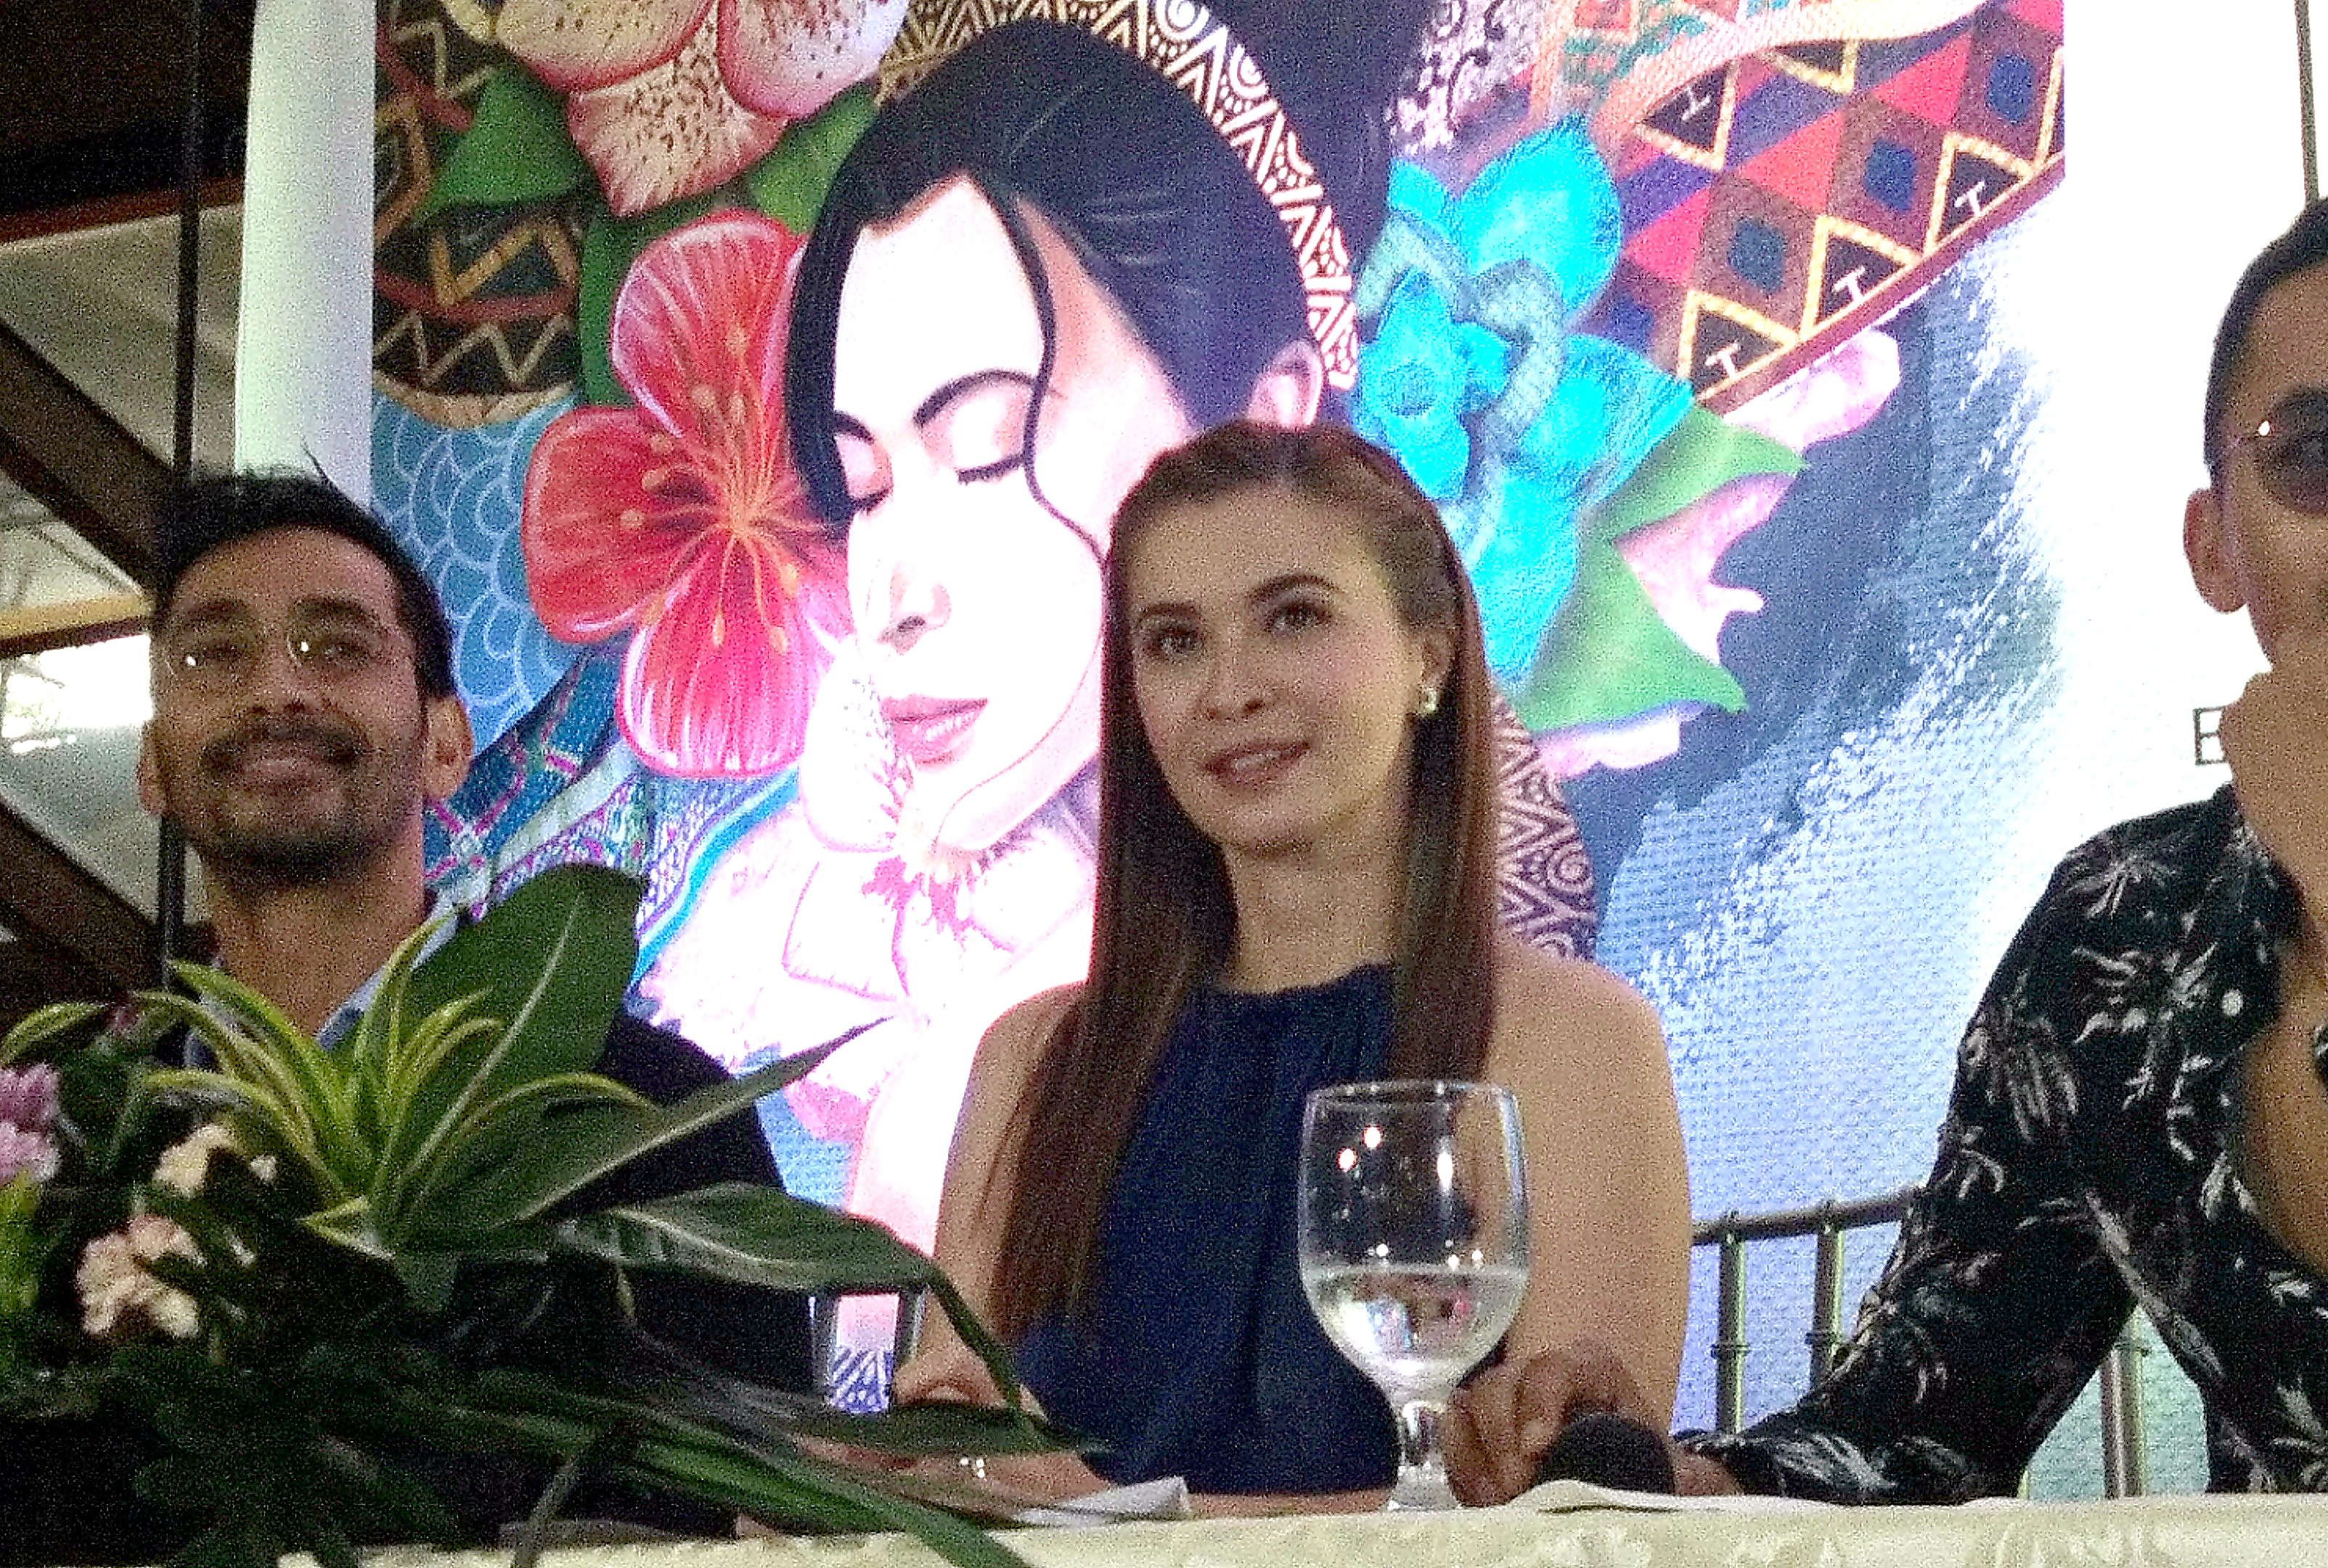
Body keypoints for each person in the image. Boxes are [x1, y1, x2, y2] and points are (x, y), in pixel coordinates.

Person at [1445, 179, 2328, 1501]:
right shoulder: (2125, 930)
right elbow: (1913, 1433)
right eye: (2322, 452)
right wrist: (1656, 1482)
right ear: (2215, 547)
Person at [629, 7, 1598, 1297]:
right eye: (863, 488)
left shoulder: (1552, 1036)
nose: (894, 601)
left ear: (1263, 426)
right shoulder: (981, 1075)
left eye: (987, 451)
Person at [889, 421, 1688, 1510]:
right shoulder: (1029, 1061)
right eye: (1175, 642)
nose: (1229, 690)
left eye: (1294, 617)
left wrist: (1095, 1520)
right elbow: (959, 1466)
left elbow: (1574, 1517)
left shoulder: (1571, 1041)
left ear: (1430, 656)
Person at [99, 471, 811, 1538]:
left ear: (446, 742)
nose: (277, 689)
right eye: (215, 655)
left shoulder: (644, 1119)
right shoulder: (82, 1136)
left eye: (337, 646)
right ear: (154, 762)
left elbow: (729, 1527)